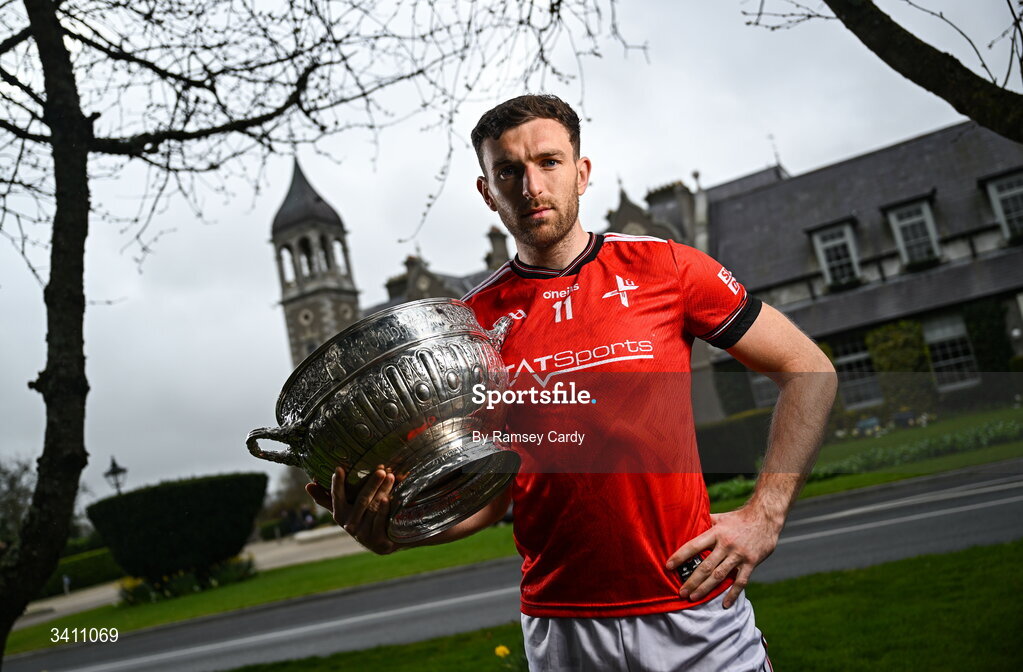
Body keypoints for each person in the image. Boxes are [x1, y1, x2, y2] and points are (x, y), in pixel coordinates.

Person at [307, 94, 837, 671]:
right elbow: (487, 502)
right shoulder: (469, 328)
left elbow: (808, 369)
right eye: (508, 171)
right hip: (562, 628)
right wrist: (397, 532)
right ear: (487, 192)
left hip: (693, 607)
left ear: (582, 173)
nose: (531, 186)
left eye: (549, 162)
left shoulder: (670, 268)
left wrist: (765, 514)